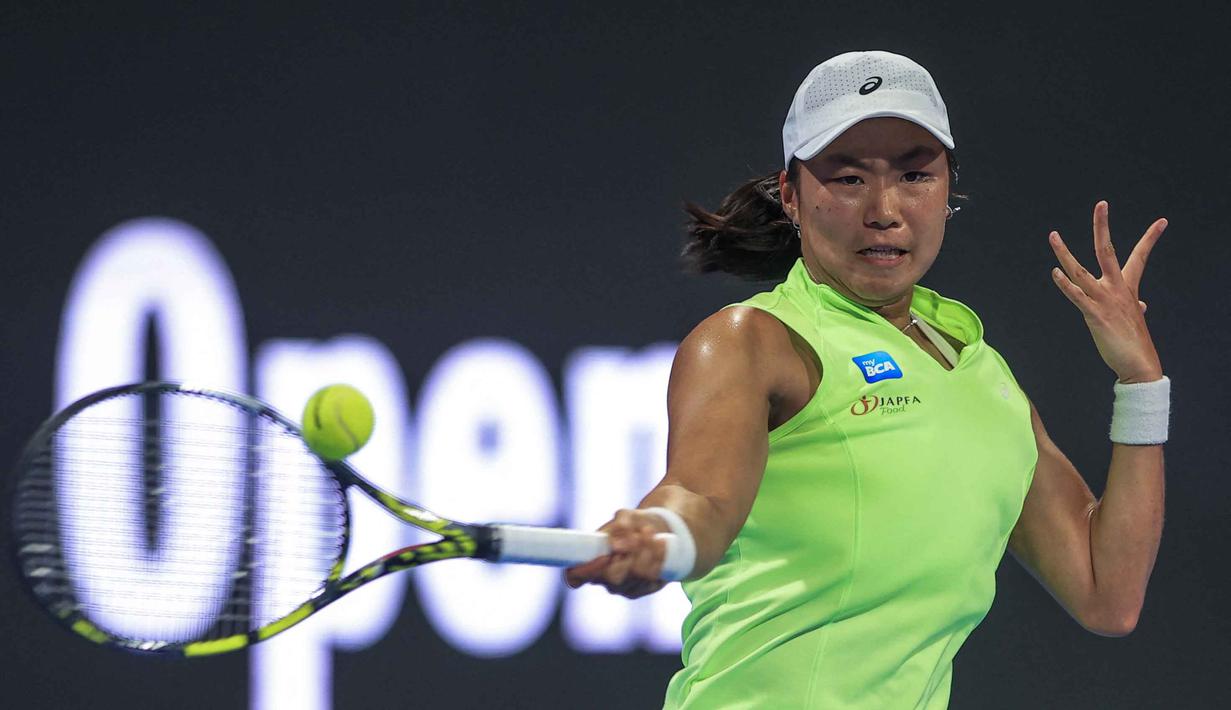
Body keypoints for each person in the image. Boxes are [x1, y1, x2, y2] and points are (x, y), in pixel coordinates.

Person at [564, 50, 1169, 708]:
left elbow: (1108, 594)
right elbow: (701, 500)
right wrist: (663, 535)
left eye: (914, 175)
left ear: (947, 192)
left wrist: (1140, 383)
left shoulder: (976, 366)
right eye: (847, 179)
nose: (884, 209)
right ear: (791, 194)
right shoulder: (751, 340)